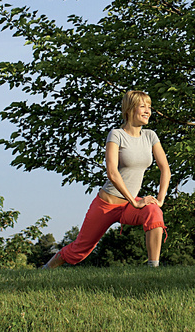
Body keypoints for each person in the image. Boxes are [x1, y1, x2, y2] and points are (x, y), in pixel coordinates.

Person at [42, 90, 171, 269]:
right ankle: (46, 269)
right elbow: (112, 172)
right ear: (129, 109)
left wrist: (160, 199)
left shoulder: (150, 136)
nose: (148, 111)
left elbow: (165, 169)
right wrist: (134, 202)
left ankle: (153, 268)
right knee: (80, 250)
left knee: (154, 212)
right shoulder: (117, 135)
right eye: (143, 106)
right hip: (107, 203)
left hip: (129, 205)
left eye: (149, 107)